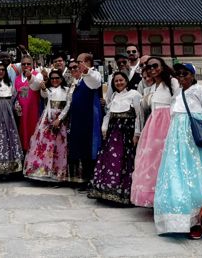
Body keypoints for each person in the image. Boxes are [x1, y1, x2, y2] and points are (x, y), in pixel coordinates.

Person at [154, 63, 202, 238]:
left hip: (195, 141)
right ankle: (181, 220)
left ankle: (200, 219)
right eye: (178, 74)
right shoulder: (178, 94)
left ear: (193, 75)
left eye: (185, 73)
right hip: (177, 142)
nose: (181, 77)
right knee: (179, 176)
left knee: (198, 177)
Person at [130, 57, 179, 207]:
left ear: (162, 66)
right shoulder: (151, 87)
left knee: (166, 159)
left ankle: (168, 197)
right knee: (152, 160)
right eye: (149, 67)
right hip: (153, 126)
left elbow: (178, 102)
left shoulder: (172, 82)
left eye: (155, 65)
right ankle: (154, 196)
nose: (152, 69)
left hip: (168, 122)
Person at [89, 71, 143, 204]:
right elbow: (108, 114)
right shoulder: (113, 96)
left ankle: (123, 193)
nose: (119, 83)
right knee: (110, 160)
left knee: (125, 161)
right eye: (116, 81)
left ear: (126, 81)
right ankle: (107, 190)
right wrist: (104, 128)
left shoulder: (134, 95)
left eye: (121, 80)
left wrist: (137, 133)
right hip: (113, 134)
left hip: (126, 134)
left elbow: (139, 116)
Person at [24, 69, 71, 182]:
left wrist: (59, 119)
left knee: (59, 147)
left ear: (61, 79)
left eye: (57, 78)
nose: (55, 80)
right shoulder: (47, 90)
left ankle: (57, 174)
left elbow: (68, 105)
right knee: (43, 145)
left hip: (61, 120)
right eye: (52, 78)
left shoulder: (67, 90)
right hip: (47, 119)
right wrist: (43, 87)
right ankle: (42, 171)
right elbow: (44, 94)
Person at [67, 53, 104, 189]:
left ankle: (90, 178)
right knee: (79, 147)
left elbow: (96, 82)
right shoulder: (80, 78)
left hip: (89, 117)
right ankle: (81, 178)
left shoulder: (93, 74)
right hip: (78, 118)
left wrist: (87, 71)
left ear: (88, 62)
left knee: (89, 147)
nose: (77, 65)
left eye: (80, 62)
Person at [14, 55, 44, 152]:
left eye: (28, 64)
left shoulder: (37, 75)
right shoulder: (17, 78)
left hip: (34, 110)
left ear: (32, 65)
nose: (26, 66)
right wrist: (16, 104)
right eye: (23, 64)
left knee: (34, 132)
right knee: (23, 133)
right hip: (22, 112)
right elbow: (15, 94)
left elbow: (36, 86)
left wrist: (30, 77)